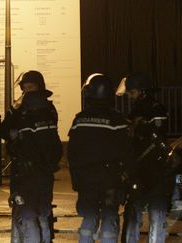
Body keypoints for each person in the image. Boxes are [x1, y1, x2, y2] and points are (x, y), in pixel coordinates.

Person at [68, 73, 130, 243]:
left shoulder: (80, 119)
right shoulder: (117, 119)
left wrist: (76, 177)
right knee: (110, 217)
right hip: (111, 178)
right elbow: (126, 151)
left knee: (88, 218)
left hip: (87, 178)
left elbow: (72, 152)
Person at [117, 72, 176, 243]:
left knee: (135, 214)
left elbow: (139, 139)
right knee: (156, 215)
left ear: (142, 91)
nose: (129, 96)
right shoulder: (155, 108)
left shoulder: (145, 110)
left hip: (142, 170)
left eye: (132, 92)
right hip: (156, 172)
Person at [1, 70, 60, 243]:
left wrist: (16, 134)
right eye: (24, 88)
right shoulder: (22, 109)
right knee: (34, 212)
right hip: (28, 168)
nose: (27, 92)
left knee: (32, 213)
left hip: (30, 169)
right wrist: (13, 110)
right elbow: (4, 130)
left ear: (39, 87)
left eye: (31, 87)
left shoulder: (45, 109)